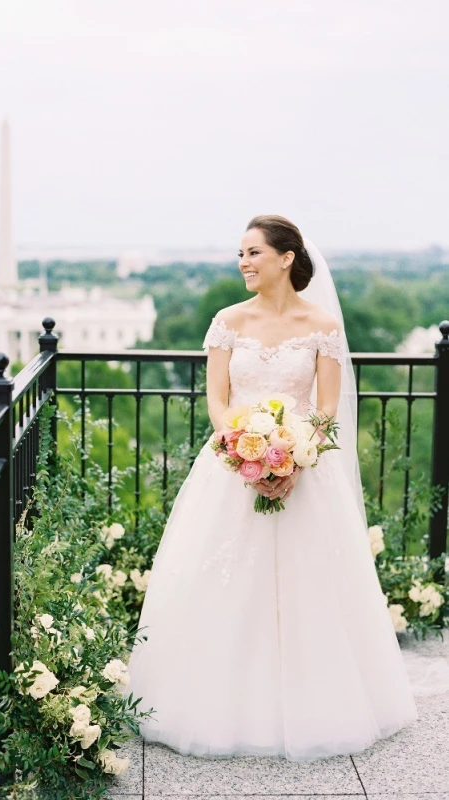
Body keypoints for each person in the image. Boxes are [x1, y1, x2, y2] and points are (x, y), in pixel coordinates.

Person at [119, 214, 449, 762]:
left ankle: (314, 699)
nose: (244, 263)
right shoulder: (227, 322)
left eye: (253, 253)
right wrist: (242, 447)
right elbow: (219, 401)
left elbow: (325, 409)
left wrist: (296, 457)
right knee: (225, 583)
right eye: (240, 255)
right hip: (230, 468)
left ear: (286, 259)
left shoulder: (322, 326)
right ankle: (218, 699)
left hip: (305, 471)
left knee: (308, 588)